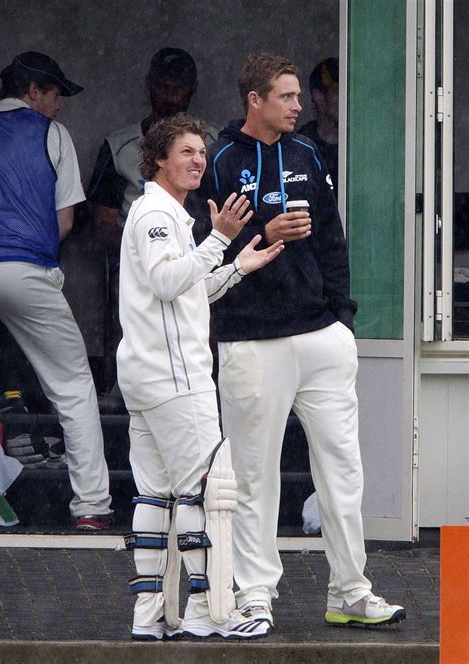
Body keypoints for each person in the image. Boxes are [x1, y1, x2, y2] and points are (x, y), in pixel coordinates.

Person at [187, 53, 405, 631]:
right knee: (254, 474)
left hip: (320, 335)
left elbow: (332, 237)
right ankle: (255, 594)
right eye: (286, 96)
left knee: (344, 468)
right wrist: (262, 231)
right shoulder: (221, 161)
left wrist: (342, 319)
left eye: (297, 96)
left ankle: (350, 591)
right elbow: (199, 252)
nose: (299, 104)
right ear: (253, 100)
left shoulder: (308, 153)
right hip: (251, 341)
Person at [117, 113, 283, 640]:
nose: (197, 160)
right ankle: (209, 612)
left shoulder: (157, 214)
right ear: (159, 160)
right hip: (174, 379)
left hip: (148, 377)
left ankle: (149, 619)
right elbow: (169, 283)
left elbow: (183, 292)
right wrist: (219, 239)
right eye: (185, 151)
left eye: (201, 152)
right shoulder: (156, 215)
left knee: (156, 495)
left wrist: (237, 266)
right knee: (205, 493)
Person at [0, 51, 113, 530]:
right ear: (34, 90)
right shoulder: (52, 135)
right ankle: (91, 505)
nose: (59, 106)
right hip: (27, 269)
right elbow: (64, 221)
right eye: (56, 94)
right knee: (72, 385)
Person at [87, 48, 218, 394]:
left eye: (180, 86)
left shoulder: (215, 144)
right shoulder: (120, 145)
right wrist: (144, 251)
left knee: (219, 296)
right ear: (149, 86)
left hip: (205, 255)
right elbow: (102, 224)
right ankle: (129, 385)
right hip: (138, 259)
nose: (172, 95)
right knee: (132, 290)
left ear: (194, 89)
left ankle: (207, 384)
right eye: (164, 85)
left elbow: (230, 212)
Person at [298, 57, 339, 196]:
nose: (349, 99)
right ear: (319, 97)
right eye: (338, 91)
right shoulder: (303, 145)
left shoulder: (361, 142)